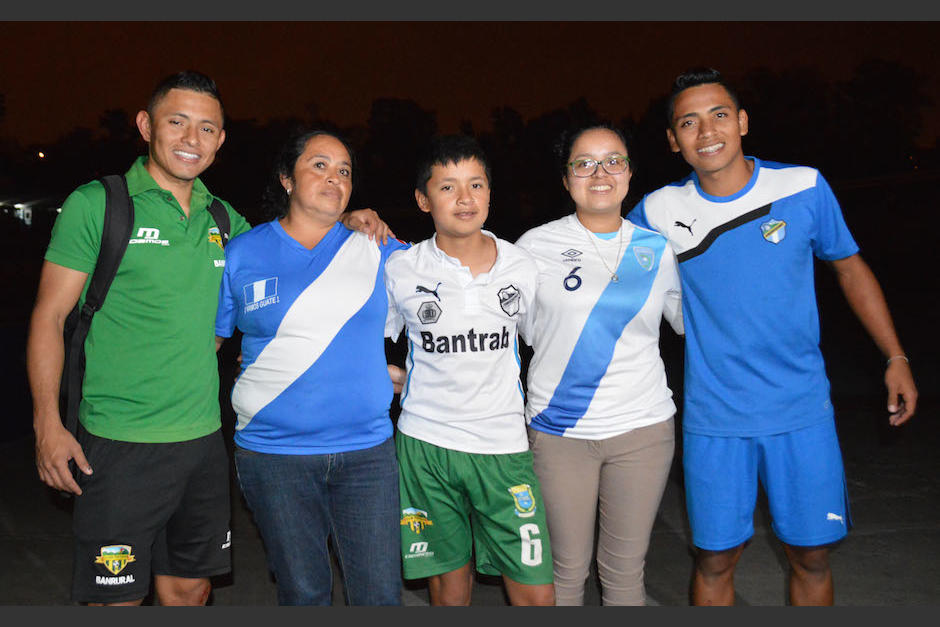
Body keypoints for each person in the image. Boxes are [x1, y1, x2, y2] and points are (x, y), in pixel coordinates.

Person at [26, 71, 392, 607]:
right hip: (117, 440)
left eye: (206, 129)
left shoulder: (226, 222)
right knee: (116, 600)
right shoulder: (99, 205)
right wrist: (46, 424)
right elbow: (48, 318)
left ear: (221, 140)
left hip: (202, 441)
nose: (191, 140)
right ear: (146, 125)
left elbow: (284, 274)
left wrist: (353, 219)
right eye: (177, 123)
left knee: (190, 591)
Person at [626, 67, 919, 606]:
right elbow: (608, 287)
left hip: (801, 410)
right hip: (715, 418)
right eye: (687, 122)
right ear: (673, 141)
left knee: (810, 554)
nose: (706, 131)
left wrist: (894, 356)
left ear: (741, 121)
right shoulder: (657, 211)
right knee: (715, 559)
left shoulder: (803, 186)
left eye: (718, 115)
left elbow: (850, 268)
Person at [214, 127, 407, 606]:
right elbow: (209, 342)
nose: (334, 177)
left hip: (367, 454)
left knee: (380, 596)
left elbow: (438, 313)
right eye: (318, 165)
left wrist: (409, 374)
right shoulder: (241, 254)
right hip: (273, 456)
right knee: (303, 593)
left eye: (344, 170)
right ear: (286, 178)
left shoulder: (377, 246)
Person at [514, 124, 683, 605]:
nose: (600, 172)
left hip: (644, 431)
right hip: (558, 432)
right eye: (583, 163)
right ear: (566, 180)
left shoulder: (657, 249)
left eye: (614, 160)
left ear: (630, 172)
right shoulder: (533, 247)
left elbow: (695, 324)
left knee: (625, 573)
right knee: (564, 573)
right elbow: (514, 332)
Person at [385, 134, 555, 606]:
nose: (465, 199)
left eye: (476, 185)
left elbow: (548, 342)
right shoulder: (400, 267)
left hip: (503, 446)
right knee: (449, 594)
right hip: (427, 445)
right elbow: (363, 336)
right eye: (448, 187)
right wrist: (384, 374)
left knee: (537, 595)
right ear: (423, 199)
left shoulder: (523, 266)